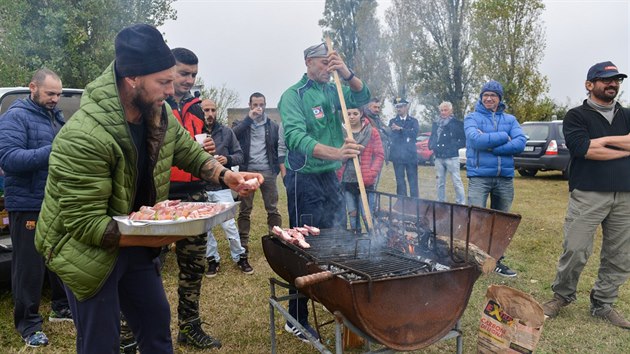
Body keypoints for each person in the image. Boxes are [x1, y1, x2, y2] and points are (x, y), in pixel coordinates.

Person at [33, 24, 262, 354]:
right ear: (132, 78)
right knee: (102, 343)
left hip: (133, 239)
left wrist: (226, 177)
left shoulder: (159, 112)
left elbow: (186, 149)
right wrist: (160, 234)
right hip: (84, 248)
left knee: (156, 328)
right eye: (163, 81)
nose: (171, 90)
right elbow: (84, 224)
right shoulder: (84, 135)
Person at [278, 42, 370, 342]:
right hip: (302, 178)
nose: (327, 68)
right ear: (308, 62)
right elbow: (295, 137)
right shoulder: (294, 95)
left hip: (330, 177)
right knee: (304, 246)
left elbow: (363, 96)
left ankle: (332, 301)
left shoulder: (334, 90)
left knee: (336, 238)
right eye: (323, 63)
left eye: (331, 63)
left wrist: (345, 71)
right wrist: (336, 153)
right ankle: (297, 316)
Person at [541, 61, 630, 329]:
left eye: (616, 79)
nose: (612, 84)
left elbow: (595, 147)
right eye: (606, 80)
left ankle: (603, 304)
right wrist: (622, 146)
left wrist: (601, 141)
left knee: (620, 254)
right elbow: (584, 150)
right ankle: (562, 296)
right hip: (588, 191)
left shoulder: (627, 114)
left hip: (625, 193)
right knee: (576, 248)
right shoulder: (576, 115)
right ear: (589, 85)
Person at [0, 68, 72, 347]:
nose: (56, 99)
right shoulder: (16, 117)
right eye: (50, 93)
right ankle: (28, 324)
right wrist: (54, 150)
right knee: (29, 267)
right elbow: (9, 159)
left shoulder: (56, 118)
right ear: (33, 88)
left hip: (56, 202)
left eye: (58, 94)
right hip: (28, 203)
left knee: (58, 258)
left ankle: (61, 308)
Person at [160, 47, 225, 349]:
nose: (188, 80)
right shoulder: (156, 103)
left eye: (193, 75)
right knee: (148, 268)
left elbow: (196, 150)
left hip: (195, 194)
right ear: (168, 69)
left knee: (193, 267)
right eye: (183, 73)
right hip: (161, 196)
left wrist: (208, 150)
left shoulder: (198, 108)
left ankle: (189, 327)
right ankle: (130, 333)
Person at [464, 80, 526, 277]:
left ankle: (497, 260)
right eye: (485, 95)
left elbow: (520, 143)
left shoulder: (510, 119)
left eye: (493, 95)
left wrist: (491, 145)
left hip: (504, 179)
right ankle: (472, 260)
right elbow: (475, 140)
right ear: (481, 97)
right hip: (479, 177)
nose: (489, 98)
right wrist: (503, 137)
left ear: (500, 99)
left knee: (501, 222)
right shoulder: (471, 117)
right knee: (476, 218)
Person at [201, 98, 252, 277]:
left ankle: (240, 256)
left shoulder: (226, 132)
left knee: (229, 225)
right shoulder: (193, 132)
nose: (210, 114)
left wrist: (227, 159)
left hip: (222, 186)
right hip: (201, 187)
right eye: (206, 110)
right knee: (205, 228)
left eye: (213, 110)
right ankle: (212, 259)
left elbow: (240, 155)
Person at [232, 92, 282, 255]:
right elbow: (233, 135)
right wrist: (249, 119)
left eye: (261, 105)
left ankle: (275, 240)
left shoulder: (272, 125)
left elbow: (277, 147)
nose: (258, 108)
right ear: (250, 105)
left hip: (267, 172)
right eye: (255, 105)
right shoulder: (242, 123)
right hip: (247, 172)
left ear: (265, 105)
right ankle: (243, 242)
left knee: (272, 208)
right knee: (245, 209)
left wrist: (274, 171)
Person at [337, 107, 384, 232]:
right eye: (349, 114)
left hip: (365, 182)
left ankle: (374, 243)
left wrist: (372, 173)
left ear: (361, 114)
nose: (352, 116)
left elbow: (379, 155)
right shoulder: (341, 132)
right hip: (347, 181)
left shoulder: (371, 131)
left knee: (367, 215)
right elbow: (336, 155)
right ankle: (355, 242)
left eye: (355, 113)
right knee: (352, 215)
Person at [429, 101, 466, 204]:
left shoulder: (457, 123)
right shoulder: (436, 123)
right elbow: (433, 136)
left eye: (445, 110)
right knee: (440, 182)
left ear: (450, 111)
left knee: (456, 181)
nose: (443, 112)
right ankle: (440, 202)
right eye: (441, 110)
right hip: (439, 156)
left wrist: (453, 147)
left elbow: (463, 140)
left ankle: (461, 203)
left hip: (452, 157)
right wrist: (431, 145)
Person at [388, 97, 420, 198]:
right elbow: (392, 136)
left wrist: (401, 129)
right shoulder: (393, 121)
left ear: (406, 107)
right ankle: (402, 202)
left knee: (413, 180)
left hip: (410, 155)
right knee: (400, 180)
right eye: (397, 107)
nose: (399, 109)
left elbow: (414, 134)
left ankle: (415, 202)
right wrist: (405, 131)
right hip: (398, 156)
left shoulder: (413, 121)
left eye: (401, 106)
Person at [363, 97, 390, 165]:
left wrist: (383, 130)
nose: (377, 109)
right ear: (369, 107)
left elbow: (389, 131)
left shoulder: (377, 118)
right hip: (368, 154)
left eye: (378, 107)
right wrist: (382, 131)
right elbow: (374, 134)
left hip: (378, 154)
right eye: (375, 107)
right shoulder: (365, 118)